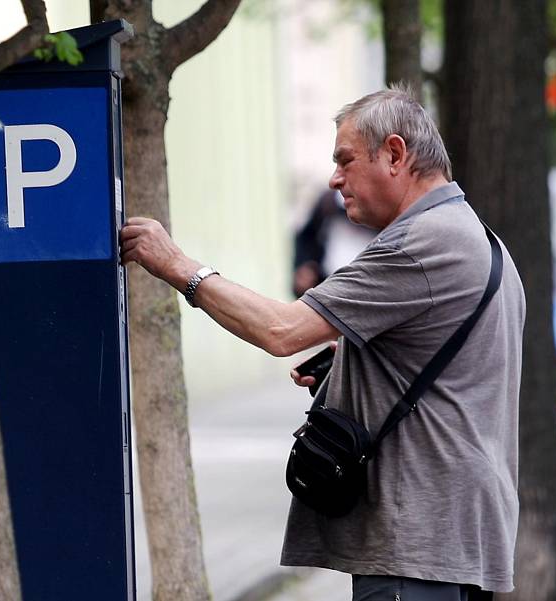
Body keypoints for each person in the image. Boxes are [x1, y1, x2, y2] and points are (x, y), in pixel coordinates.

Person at [120, 85, 524, 601]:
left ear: (395, 154)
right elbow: (454, 370)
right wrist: (353, 366)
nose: (335, 179)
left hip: (416, 546)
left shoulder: (422, 244)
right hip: (454, 538)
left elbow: (280, 330)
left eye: (346, 160)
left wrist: (177, 266)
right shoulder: (479, 238)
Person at [292, 187, 376, 297]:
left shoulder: (386, 210)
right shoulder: (328, 202)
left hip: (368, 287)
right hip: (328, 283)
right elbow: (306, 236)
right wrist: (304, 265)